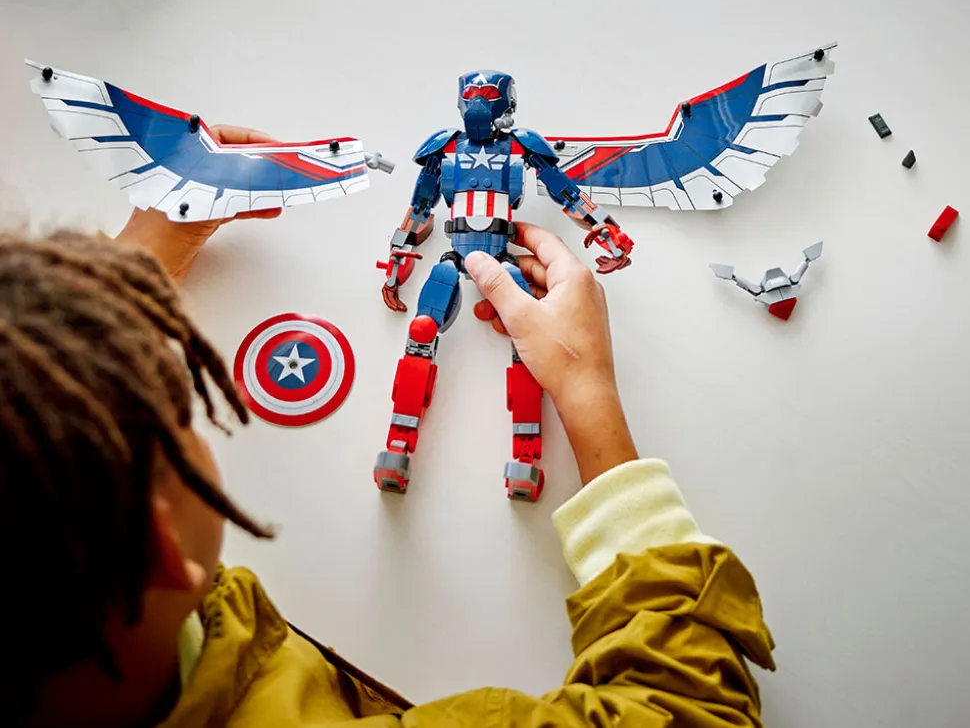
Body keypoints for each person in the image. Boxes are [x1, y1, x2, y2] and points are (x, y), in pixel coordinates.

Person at [0, 126, 774, 728]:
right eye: (179, 412)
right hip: (468, 263)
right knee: (426, 342)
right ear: (164, 544)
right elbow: (686, 709)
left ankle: (501, 452)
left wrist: (88, 311)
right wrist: (586, 389)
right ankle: (420, 443)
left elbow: (561, 187)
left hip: (483, 256)